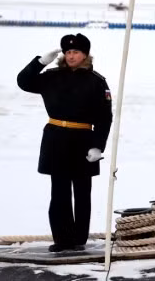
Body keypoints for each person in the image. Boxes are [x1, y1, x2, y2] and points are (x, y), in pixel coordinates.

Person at [17, 33, 113, 252]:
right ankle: (62, 239)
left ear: (85, 55)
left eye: (76, 52)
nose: (71, 56)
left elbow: (104, 117)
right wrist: (40, 62)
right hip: (56, 139)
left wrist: (98, 146)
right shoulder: (51, 76)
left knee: (82, 193)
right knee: (59, 192)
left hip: (83, 140)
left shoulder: (97, 81)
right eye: (68, 52)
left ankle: (79, 239)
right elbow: (23, 82)